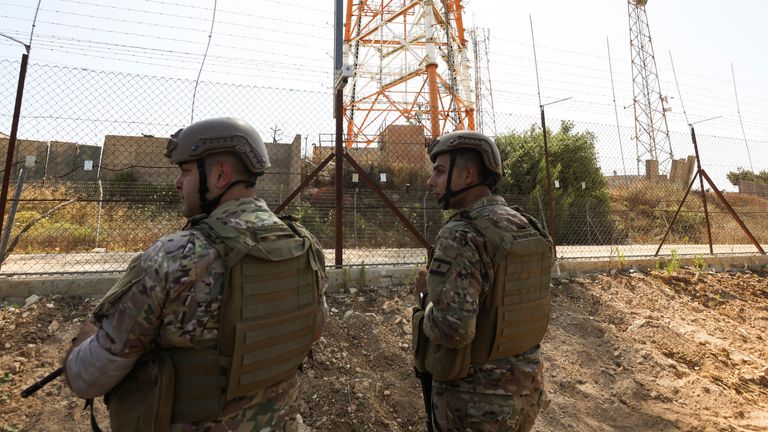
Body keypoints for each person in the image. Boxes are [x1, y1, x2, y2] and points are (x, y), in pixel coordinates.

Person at [63, 117, 328, 431]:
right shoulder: (305, 246)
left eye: (186, 171)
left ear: (220, 175)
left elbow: (87, 377)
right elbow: (312, 329)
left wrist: (89, 332)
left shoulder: (175, 257)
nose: (178, 182)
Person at [412, 130, 553, 431]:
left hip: (475, 403)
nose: (430, 182)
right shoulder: (527, 226)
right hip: (528, 389)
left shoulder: (461, 235)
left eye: (439, 171)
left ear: (468, 176)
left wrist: (426, 300)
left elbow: (454, 331)